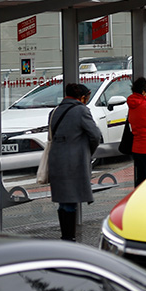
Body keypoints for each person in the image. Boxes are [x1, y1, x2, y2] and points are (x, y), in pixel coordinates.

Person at [47, 82, 101, 241]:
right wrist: (88, 151)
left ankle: (66, 235)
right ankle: (69, 237)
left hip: (56, 159)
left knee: (63, 200)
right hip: (74, 162)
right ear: (82, 97)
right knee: (71, 200)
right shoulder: (81, 111)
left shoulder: (54, 111)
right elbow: (95, 135)